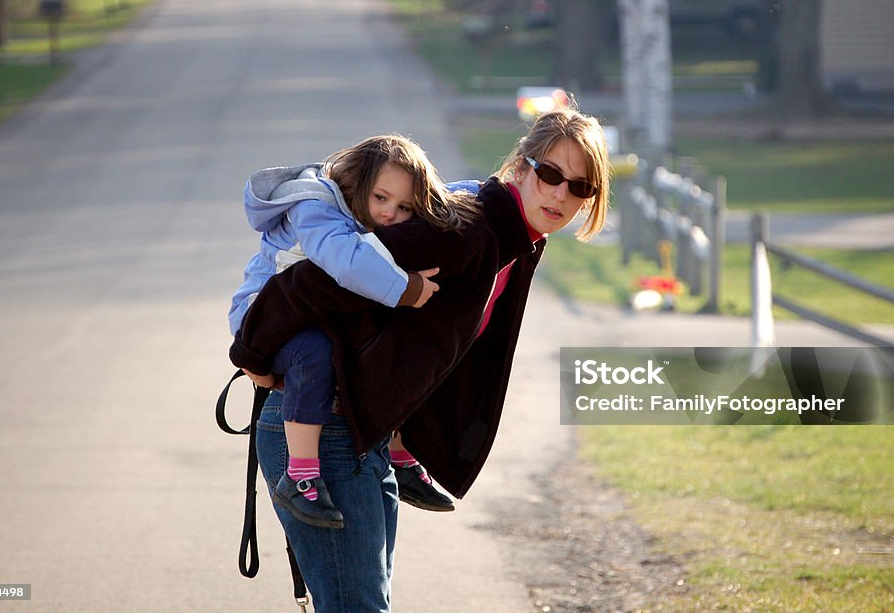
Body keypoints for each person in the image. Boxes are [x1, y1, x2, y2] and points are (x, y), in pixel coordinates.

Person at [231, 108, 611, 612]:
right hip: (323, 432)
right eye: (550, 174)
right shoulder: (469, 230)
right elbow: (319, 274)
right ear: (521, 167)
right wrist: (252, 350)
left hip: (365, 435)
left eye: (580, 187)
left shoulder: (511, 241)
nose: (561, 194)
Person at [228, 134, 480, 529]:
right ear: (356, 182)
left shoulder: (364, 209)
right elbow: (344, 261)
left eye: (403, 208)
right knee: (315, 352)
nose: (389, 214)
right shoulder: (315, 207)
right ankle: (301, 475)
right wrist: (407, 288)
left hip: (310, 314)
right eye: (381, 198)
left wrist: (488, 194)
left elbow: (448, 195)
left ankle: (399, 449)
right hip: (262, 318)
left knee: (388, 340)